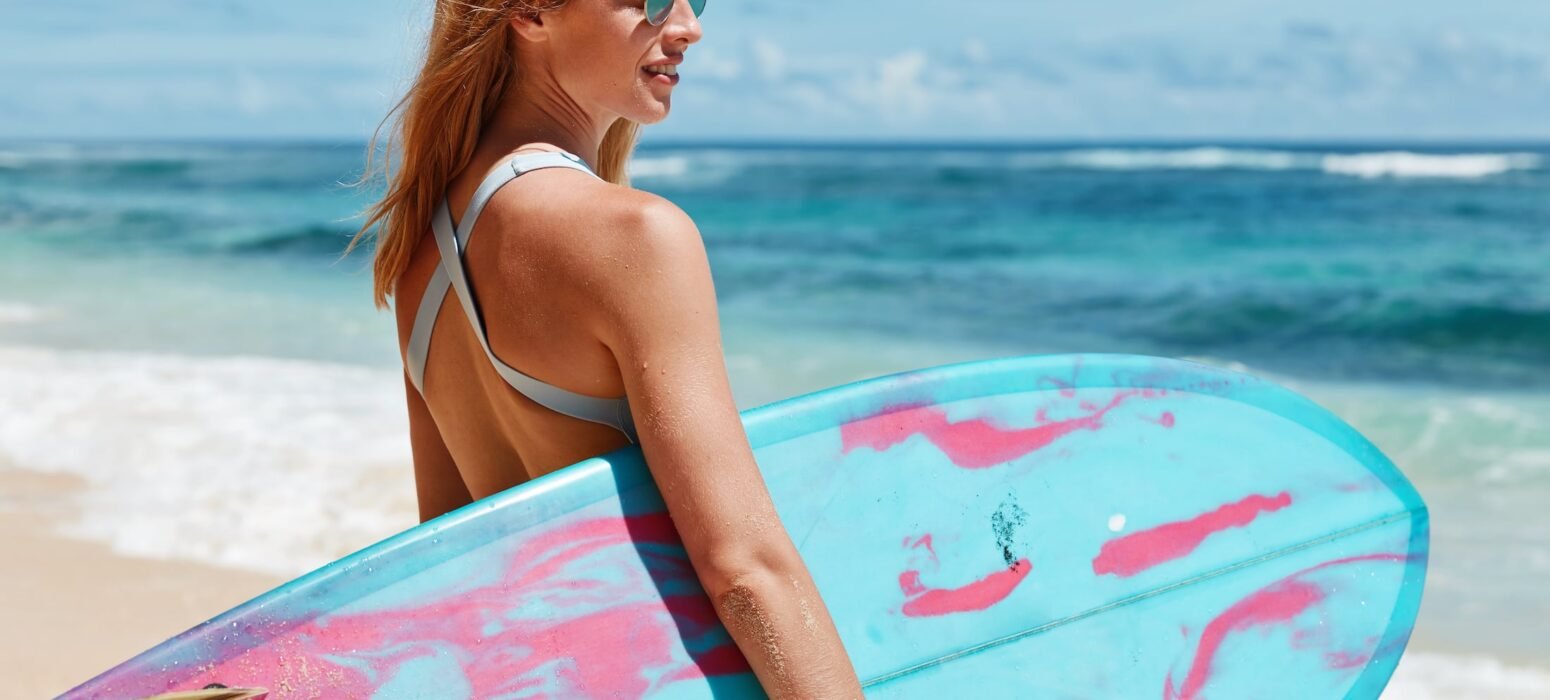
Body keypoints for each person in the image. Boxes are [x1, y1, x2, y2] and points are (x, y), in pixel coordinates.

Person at [344, 0, 864, 696]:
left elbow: (456, 566)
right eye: (650, 1)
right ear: (530, 13)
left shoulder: (420, 258)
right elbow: (745, 572)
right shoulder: (638, 236)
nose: (687, 27)